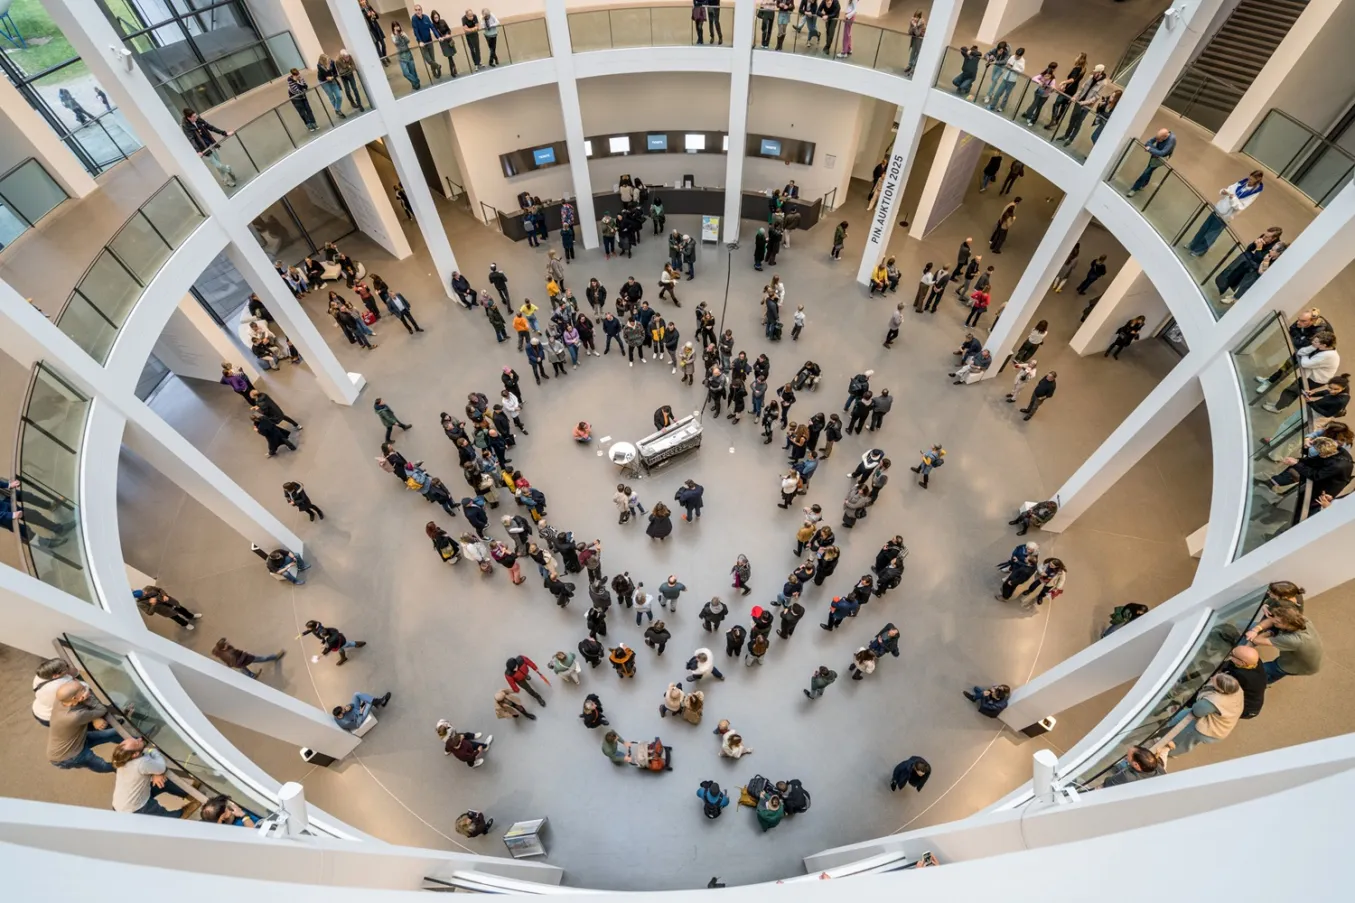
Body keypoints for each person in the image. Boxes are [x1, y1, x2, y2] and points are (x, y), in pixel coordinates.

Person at [48, 681, 122, 773]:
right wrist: (89, 697)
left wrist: (93, 717)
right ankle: (121, 768)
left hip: (76, 740)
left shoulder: (61, 700)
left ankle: (134, 742)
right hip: (69, 755)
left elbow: (83, 688)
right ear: (75, 698)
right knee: (101, 765)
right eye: (83, 690)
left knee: (110, 734)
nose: (86, 688)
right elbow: (101, 709)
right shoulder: (74, 716)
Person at [111, 738, 194, 817]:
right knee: (166, 817)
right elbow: (161, 767)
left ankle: (188, 794)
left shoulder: (121, 761)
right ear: (135, 754)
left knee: (163, 782)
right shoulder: (141, 763)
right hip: (135, 808)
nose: (140, 739)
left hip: (122, 803)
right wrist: (152, 751)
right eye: (137, 742)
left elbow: (145, 759)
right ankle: (181, 813)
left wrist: (155, 773)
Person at [1164, 673, 1243, 756]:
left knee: (1184, 741)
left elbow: (1197, 711)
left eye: (1214, 681)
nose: (1212, 678)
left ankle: (1168, 753)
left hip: (1211, 730)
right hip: (1219, 718)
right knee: (1178, 722)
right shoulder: (1235, 688)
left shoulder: (1214, 701)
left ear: (1221, 690)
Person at [1189, 171, 1264, 256]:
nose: (1249, 181)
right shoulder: (1241, 183)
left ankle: (1199, 251)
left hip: (1225, 216)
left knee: (1211, 234)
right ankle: (1192, 245)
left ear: (1256, 180)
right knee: (1204, 228)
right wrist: (1223, 191)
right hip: (1219, 208)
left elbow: (1240, 206)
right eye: (1249, 178)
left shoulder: (1253, 193)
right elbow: (1229, 189)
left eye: (1252, 180)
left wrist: (1233, 198)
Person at [1246, 602, 1323, 683]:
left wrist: (1270, 632)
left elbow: (1256, 640)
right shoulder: (1301, 619)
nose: (1272, 622)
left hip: (1295, 665)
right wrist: (1256, 629)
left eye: (1275, 623)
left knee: (1260, 672)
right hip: (1305, 656)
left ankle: (1264, 682)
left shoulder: (1292, 640)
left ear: (1283, 623)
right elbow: (1271, 620)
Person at [181, 109, 236, 188]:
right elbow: (191, 139)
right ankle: (228, 169)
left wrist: (224, 133)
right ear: (188, 118)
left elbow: (210, 127)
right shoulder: (186, 127)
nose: (196, 117)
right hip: (203, 149)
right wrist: (198, 151)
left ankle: (225, 181)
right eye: (193, 117)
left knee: (218, 164)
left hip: (210, 144)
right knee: (218, 165)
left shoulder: (198, 120)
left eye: (195, 115)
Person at [1126, 128, 1176, 196]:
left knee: (1147, 171)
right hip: (1155, 155)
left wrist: (1150, 149)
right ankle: (1143, 184)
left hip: (1160, 159)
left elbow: (1162, 153)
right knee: (1149, 171)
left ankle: (1134, 188)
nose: (1157, 141)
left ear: (1164, 137)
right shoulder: (1161, 135)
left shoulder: (1171, 140)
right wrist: (1153, 149)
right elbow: (1148, 142)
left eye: (1159, 140)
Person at [133, 585, 201, 630]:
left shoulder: (148, 588)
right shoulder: (141, 603)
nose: (145, 592)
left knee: (181, 609)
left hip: (169, 601)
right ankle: (185, 624)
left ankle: (191, 616)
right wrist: (153, 604)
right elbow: (149, 613)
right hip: (164, 610)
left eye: (143, 591)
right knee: (176, 617)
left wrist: (164, 595)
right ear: (141, 597)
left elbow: (159, 589)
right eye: (143, 594)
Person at [302, 619, 366, 666]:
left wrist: (321, 655)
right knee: (343, 648)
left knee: (347, 645)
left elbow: (329, 648)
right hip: (339, 640)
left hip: (340, 643)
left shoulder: (331, 640)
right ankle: (344, 657)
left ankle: (358, 644)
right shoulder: (329, 630)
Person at [1100, 746, 1164, 787]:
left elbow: (1108, 783)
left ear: (1136, 765)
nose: (1125, 757)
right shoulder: (1158, 767)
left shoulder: (1127, 776)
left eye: (1127, 756)